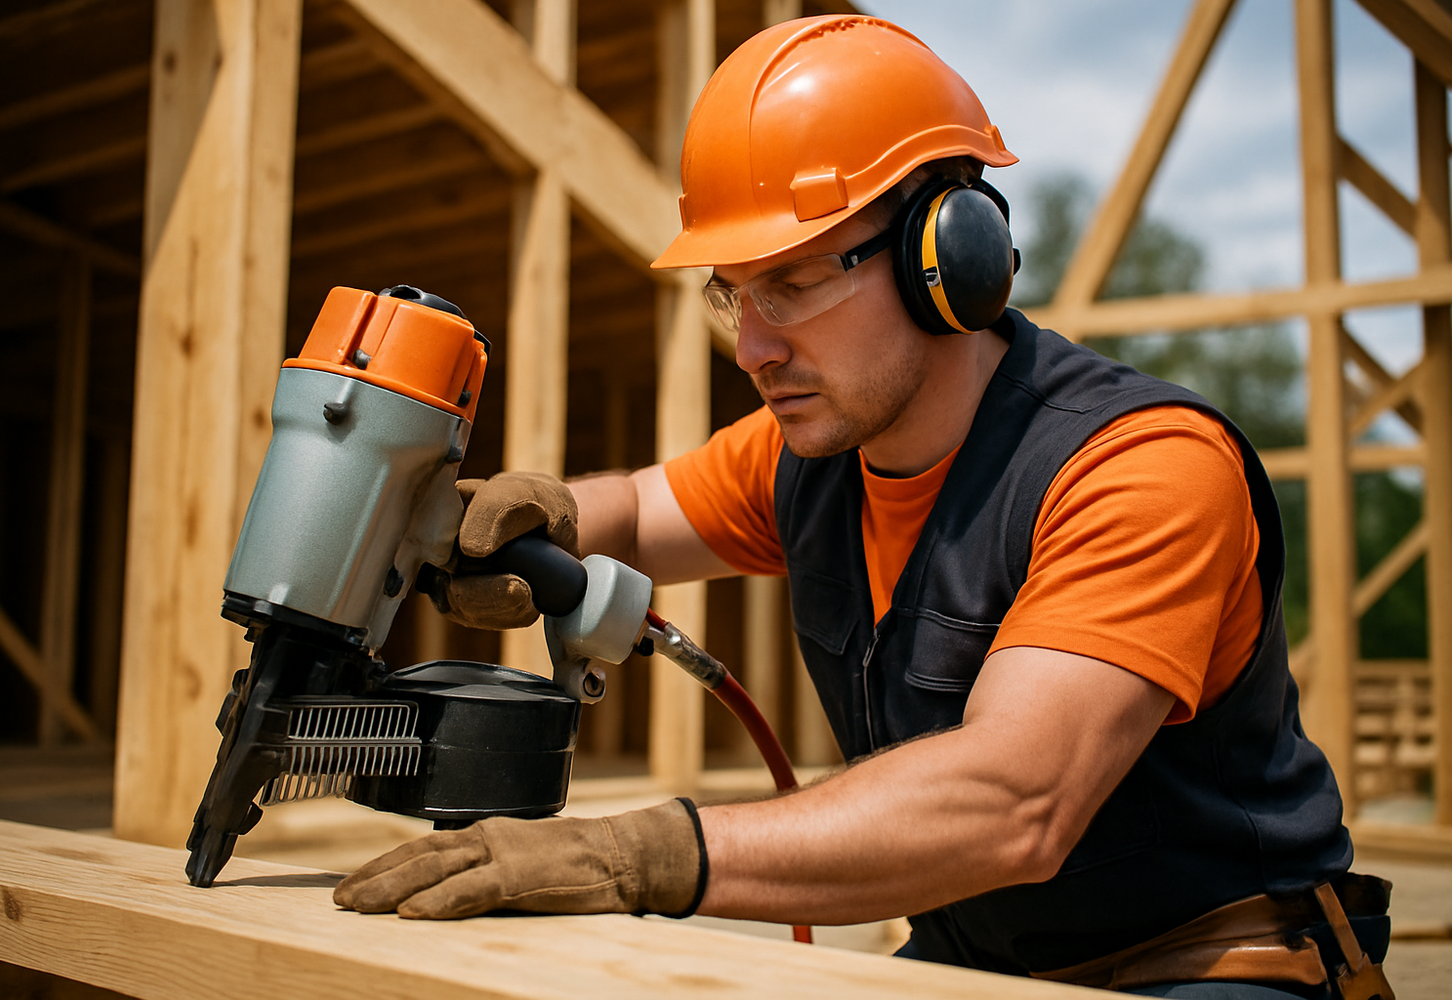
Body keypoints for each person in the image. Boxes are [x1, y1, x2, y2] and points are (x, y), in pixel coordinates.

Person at [334, 15, 1394, 999]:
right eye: (734, 293)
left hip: (1209, 960)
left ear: (951, 260)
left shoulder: (1140, 466)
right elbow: (639, 512)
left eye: (792, 283)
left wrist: (639, 853)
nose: (752, 346)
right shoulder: (815, 454)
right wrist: (539, 517)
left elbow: (1014, 802)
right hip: (974, 953)